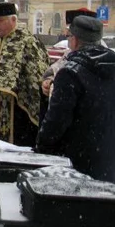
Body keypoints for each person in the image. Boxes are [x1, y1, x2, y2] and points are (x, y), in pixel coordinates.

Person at [36, 16, 115, 183]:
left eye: (69, 36)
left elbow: (56, 122)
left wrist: (42, 148)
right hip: (108, 160)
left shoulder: (70, 73)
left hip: (76, 164)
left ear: (75, 40)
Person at [0, 2, 49, 146]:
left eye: (1, 20)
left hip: (17, 108)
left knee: (15, 146)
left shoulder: (28, 41)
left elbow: (36, 75)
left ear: (13, 20)